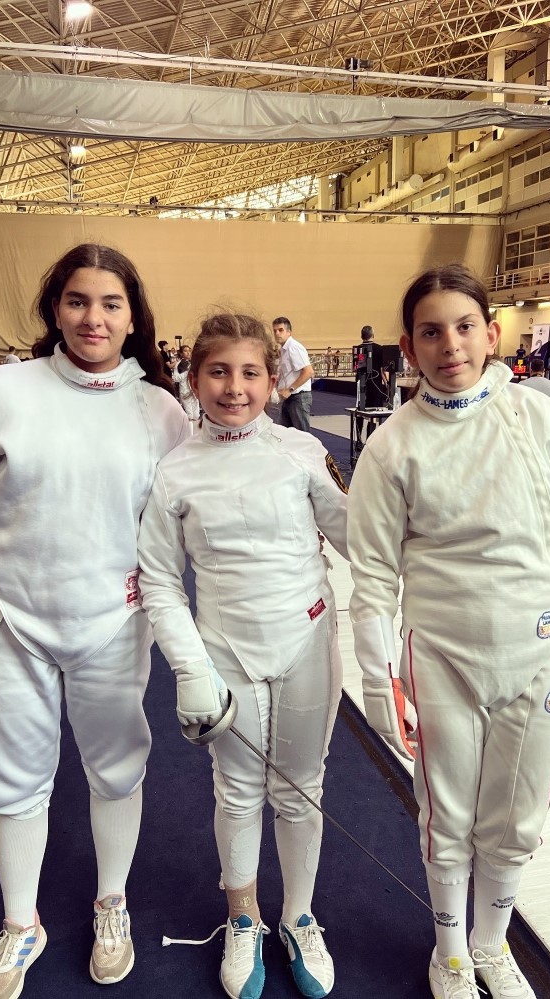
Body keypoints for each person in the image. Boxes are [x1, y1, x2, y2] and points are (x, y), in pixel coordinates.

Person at [0, 243, 189, 998]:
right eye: (77, 300)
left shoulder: (161, 411)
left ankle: (112, 904)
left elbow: (183, 522)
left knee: (118, 767)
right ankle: (20, 923)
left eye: (110, 304)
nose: (93, 318)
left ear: (132, 318)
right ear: (53, 309)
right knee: (12, 778)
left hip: (113, 622)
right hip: (10, 623)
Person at [347, 263, 550, 999]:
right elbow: (372, 576)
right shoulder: (392, 446)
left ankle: (492, 946)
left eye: (464, 327)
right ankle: (451, 955)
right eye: (431, 332)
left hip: (541, 651)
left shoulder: (543, 422)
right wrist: (380, 683)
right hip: (442, 658)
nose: (450, 345)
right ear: (408, 347)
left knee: (516, 816)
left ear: (491, 334)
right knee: (448, 817)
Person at [138, 313, 348, 999]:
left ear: (272, 378)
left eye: (250, 372)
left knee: (301, 788)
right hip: (225, 650)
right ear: (195, 378)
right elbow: (160, 580)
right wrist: (190, 667)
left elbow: (362, 537)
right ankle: (243, 916)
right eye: (219, 372)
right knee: (236, 790)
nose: (235, 388)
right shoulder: (174, 471)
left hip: (307, 640)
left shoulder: (301, 451)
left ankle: (298, 917)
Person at [273, 316, 314, 433]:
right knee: (285, 434)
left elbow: (308, 372)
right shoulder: (284, 350)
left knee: (302, 435)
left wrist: (289, 390)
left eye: (280, 330)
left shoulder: (294, 347)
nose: (277, 333)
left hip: (298, 397)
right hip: (289, 397)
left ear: (289, 332)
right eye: (275, 331)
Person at [171, 343, 199, 421]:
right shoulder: (179, 364)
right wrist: (187, 372)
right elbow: (175, 378)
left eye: (189, 350)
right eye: (185, 351)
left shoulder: (192, 363)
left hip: (194, 389)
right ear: (181, 353)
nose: (188, 353)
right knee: (189, 414)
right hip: (185, 390)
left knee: (196, 414)